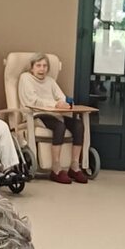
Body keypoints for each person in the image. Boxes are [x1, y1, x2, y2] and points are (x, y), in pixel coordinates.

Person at [17, 53, 88, 184]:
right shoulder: (25, 78)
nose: (42, 69)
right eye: (38, 65)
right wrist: (55, 104)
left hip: (54, 114)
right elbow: (33, 101)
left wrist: (65, 103)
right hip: (35, 115)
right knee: (60, 126)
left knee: (78, 125)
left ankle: (74, 166)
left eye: (45, 66)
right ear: (32, 68)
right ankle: (56, 168)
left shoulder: (50, 81)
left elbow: (61, 97)